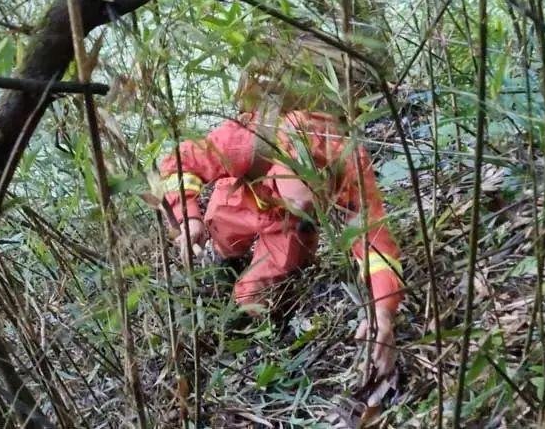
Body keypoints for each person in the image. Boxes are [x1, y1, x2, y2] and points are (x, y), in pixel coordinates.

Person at [159, 47, 405, 379]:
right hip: (241, 199)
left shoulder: (348, 163)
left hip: (289, 227)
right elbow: (180, 161)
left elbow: (375, 243)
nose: (305, 197)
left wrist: (383, 312)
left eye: (313, 194)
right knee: (222, 232)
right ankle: (223, 262)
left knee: (258, 290)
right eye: (298, 188)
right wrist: (188, 218)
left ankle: (238, 326)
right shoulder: (248, 141)